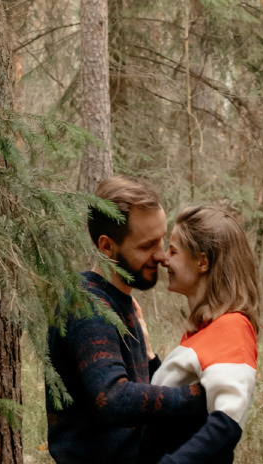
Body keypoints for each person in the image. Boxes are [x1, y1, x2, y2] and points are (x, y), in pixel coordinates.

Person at [46, 175, 206, 464]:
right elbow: (113, 398)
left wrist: (151, 357)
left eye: (162, 239)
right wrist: (199, 398)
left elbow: (143, 396)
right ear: (107, 247)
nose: (161, 255)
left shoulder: (120, 300)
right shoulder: (87, 305)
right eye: (146, 246)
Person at [144, 205, 260, 464]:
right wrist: (152, 359)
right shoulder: (207, 330)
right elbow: (184, 410)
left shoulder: (232, 327)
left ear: (203, 262)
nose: (164, 259)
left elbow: (226, 423)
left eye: (173, 251)